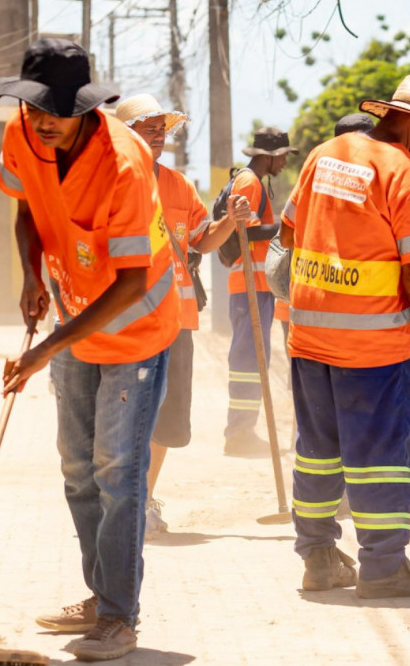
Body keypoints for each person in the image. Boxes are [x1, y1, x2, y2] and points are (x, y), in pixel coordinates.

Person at [0, 39, 177, 661]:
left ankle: (121, 619)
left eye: (53, 112)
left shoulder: (125, 163)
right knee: (77, 470)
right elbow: (25, 207)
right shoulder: (24, 134)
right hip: (73, 316)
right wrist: (29, 274)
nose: (41, 122)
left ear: (84, 107)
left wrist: (46, 347)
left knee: (117, 474)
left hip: (136, 330)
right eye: (33, 108)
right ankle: (100, 597)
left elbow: (130, 283)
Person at [278, 73, 410, 598]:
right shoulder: (404, 174)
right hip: (373, 346)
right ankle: (383, 567)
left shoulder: (325, 153)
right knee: (380, 455)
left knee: (317, 450)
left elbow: (289, 232)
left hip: (310, 336)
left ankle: (318, 558)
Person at [114, 94, 250, 538]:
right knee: (123, 415)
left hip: (176, 320)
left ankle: (143, 500)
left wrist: (229, 221)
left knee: (166, 418)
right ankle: (119, 501)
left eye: (161, 127)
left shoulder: (177, 185)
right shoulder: (109, 182)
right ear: (125, 133)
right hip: (125, 322)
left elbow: (201, 239)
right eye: (146, 126)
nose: (158, 134)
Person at [224, 127, 298, 457]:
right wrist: (290, 228)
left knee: (255, 358)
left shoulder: (254, 183)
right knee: (247, 359)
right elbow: (246, 230)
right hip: (248, 285)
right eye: (282, 156)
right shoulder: (248, 182)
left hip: (256, 285)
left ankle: (244, 429)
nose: (284, 162)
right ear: (268, 156)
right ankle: (239, 432)